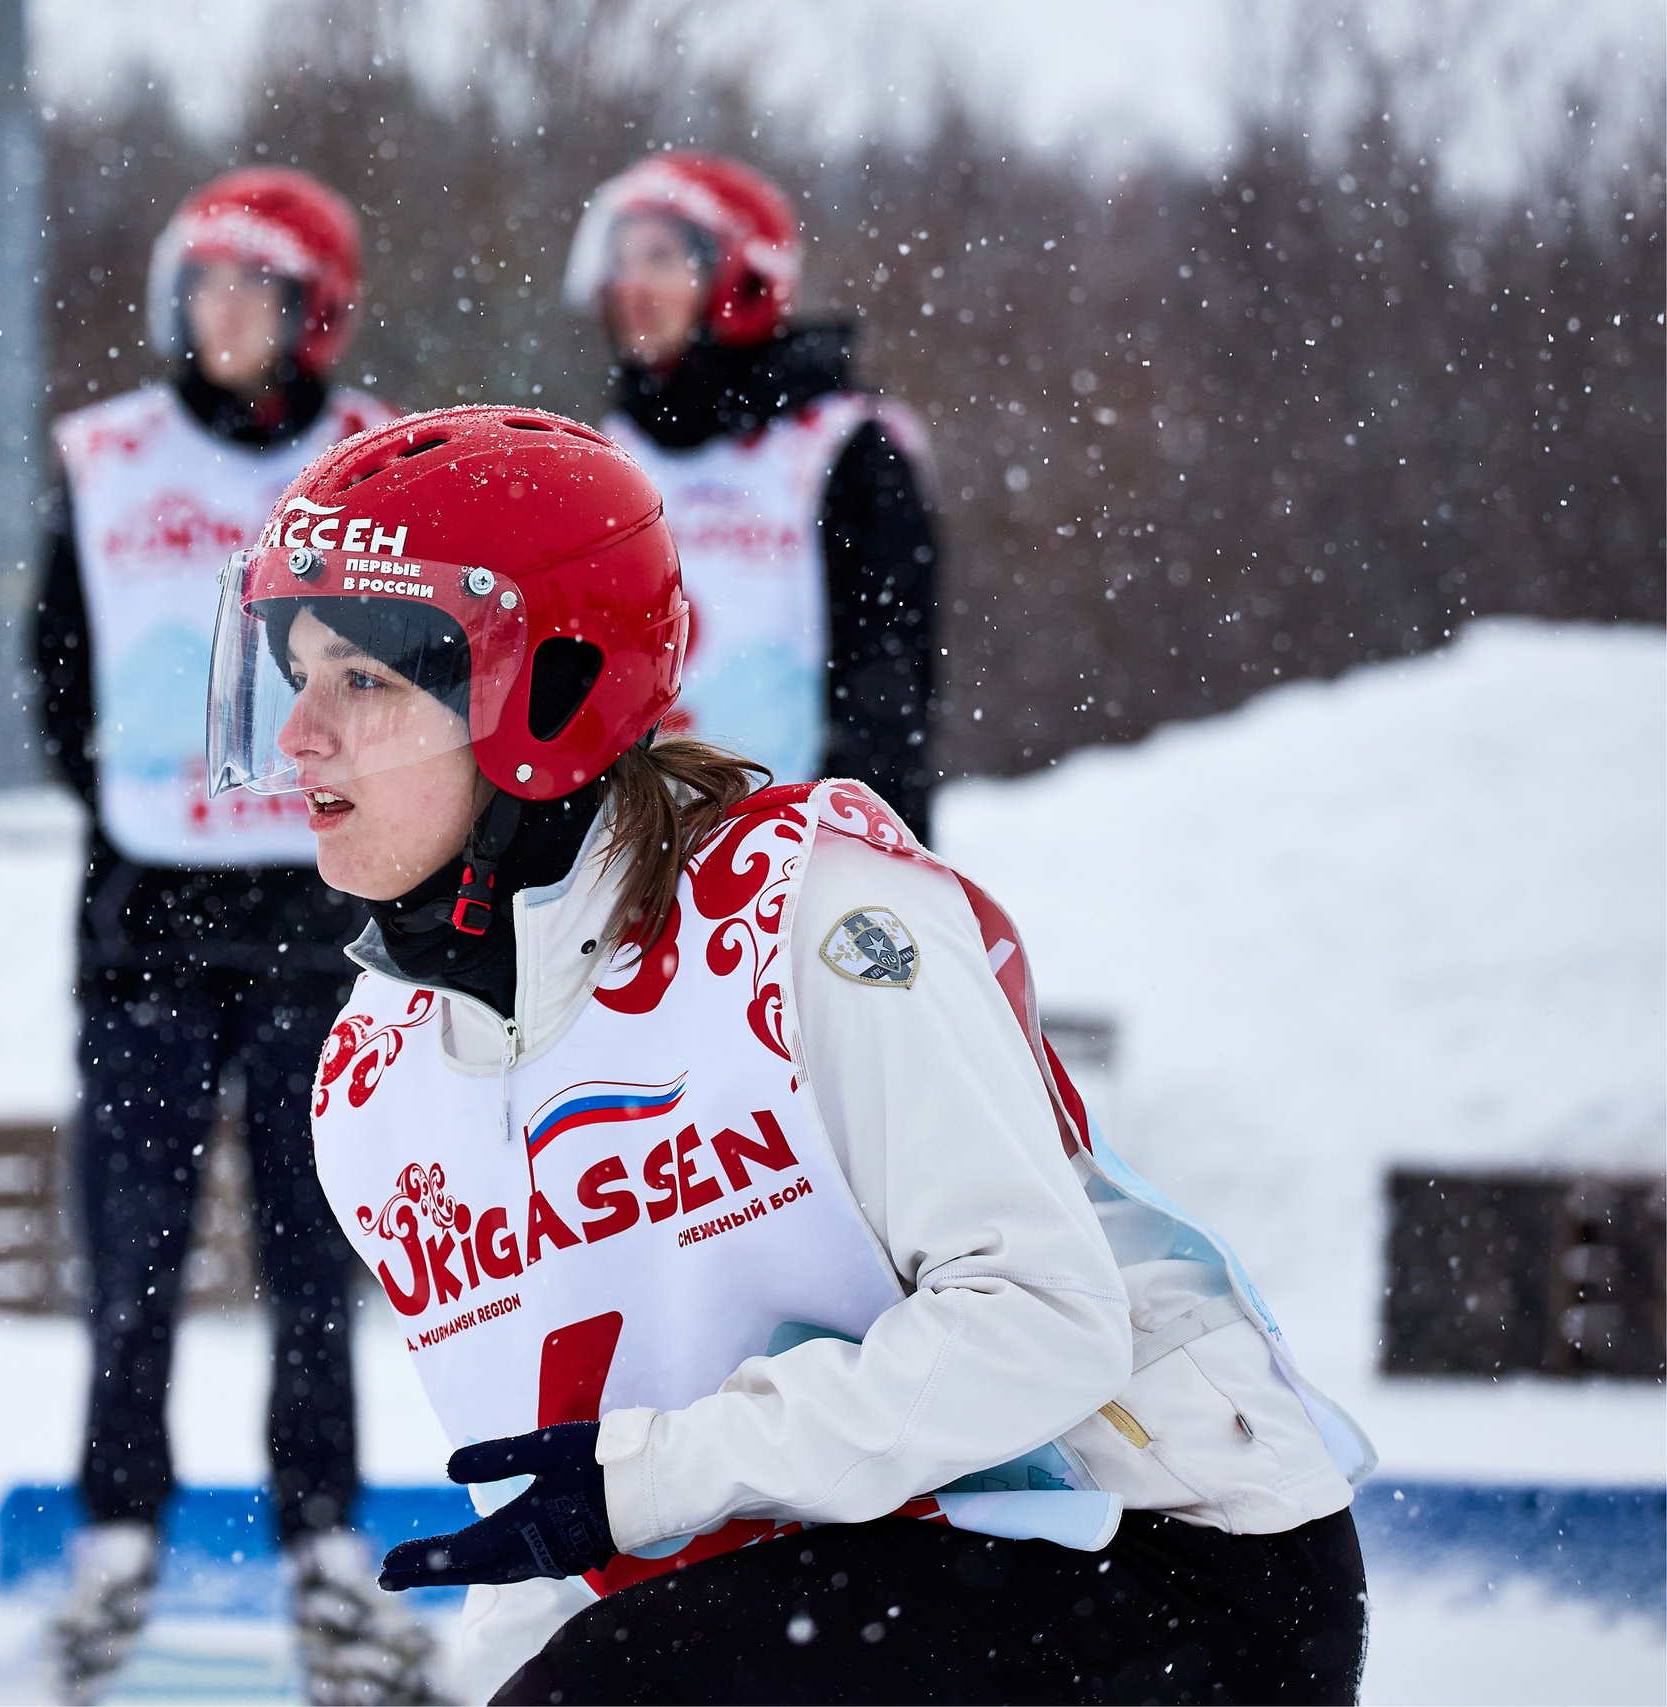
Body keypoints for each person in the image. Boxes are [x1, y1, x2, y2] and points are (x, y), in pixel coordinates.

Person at [204, 405, 1375, 1705]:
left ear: (549, 683)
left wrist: (652, 1480)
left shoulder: (809, 919)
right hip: (827, 1570)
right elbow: (564, 1520)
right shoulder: (375, 1087)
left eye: (362, 678)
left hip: (1164, 1559)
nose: (301, 734)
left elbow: (1046, 1324)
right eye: (292, 673)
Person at [31, 167, 432, 1705]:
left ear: (312, 311)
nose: (221, 315)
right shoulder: (108, 457)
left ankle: (323, 1543)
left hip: (321, 919)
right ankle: (114, 1535)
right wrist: (178, 806)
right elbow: (60, 681)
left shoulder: (373, 454)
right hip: (142, 924)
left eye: (254, 288)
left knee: (308, 1259)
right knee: (129, 1259)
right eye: (201, 285)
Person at [564, 151, 942, 840]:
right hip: (633, 851)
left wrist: (870, 851)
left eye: (660, 257)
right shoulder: (605, 450)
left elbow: (887, 690)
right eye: (621, 260)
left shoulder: (845, 448)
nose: (631, 285)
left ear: (741, 280)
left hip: (800, 852)